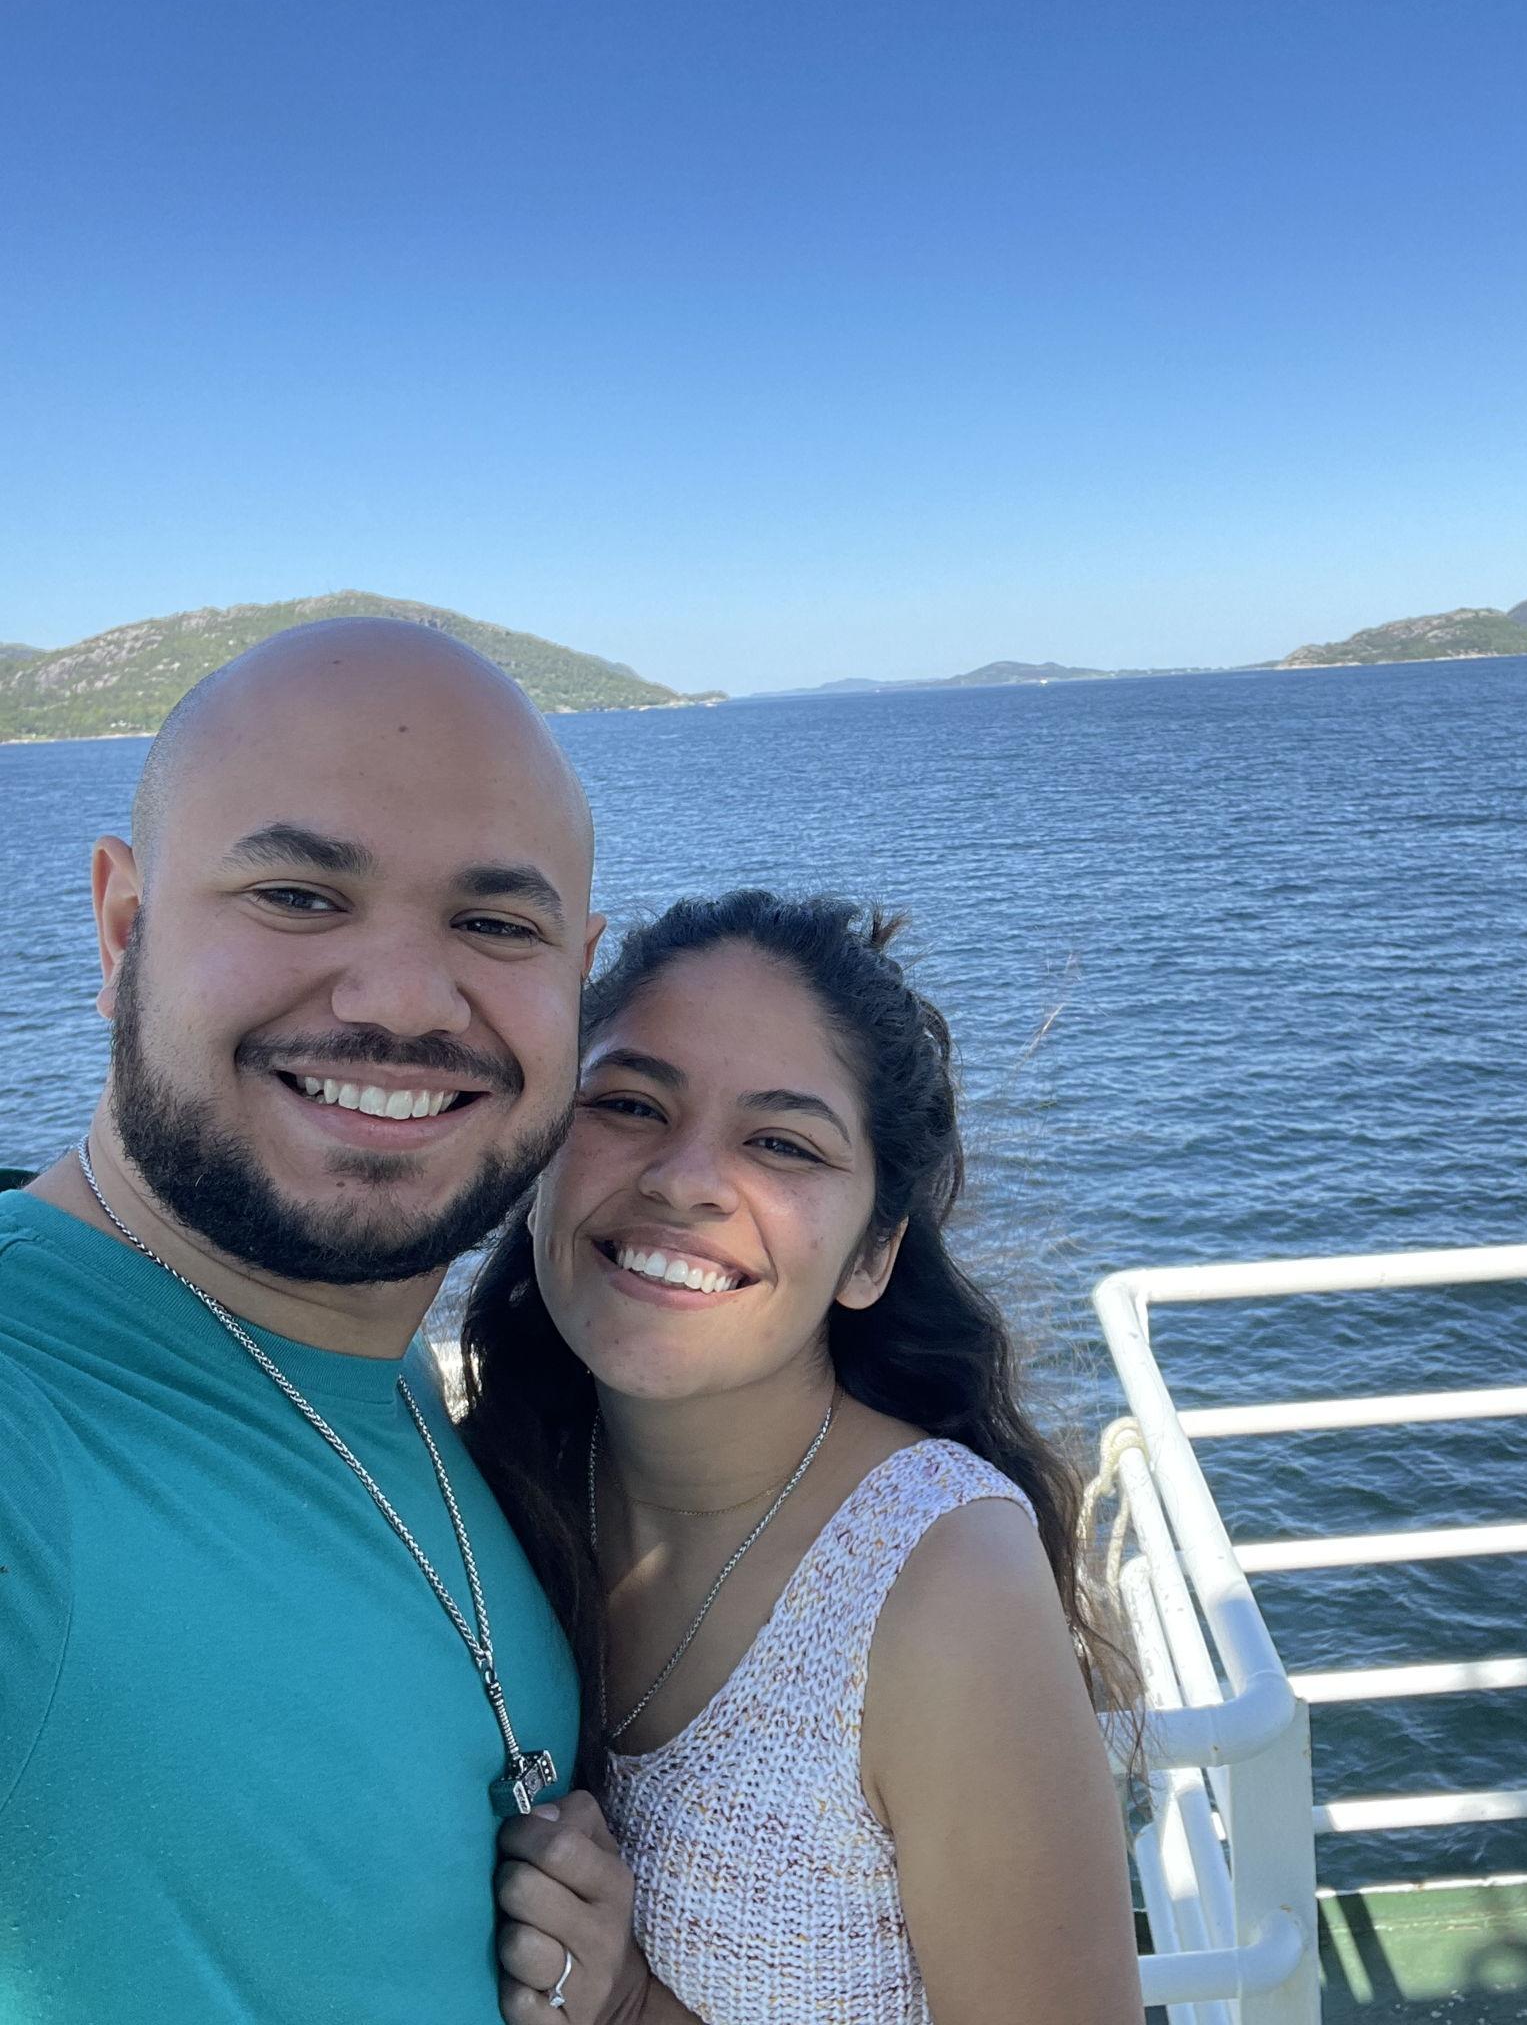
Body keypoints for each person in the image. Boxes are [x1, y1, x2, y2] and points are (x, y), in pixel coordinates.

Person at [0, 619, 606, 2023]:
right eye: (297, 894)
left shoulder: (382, 1376)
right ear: (123, 927)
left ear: (577, 973)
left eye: (495, 924)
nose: (403, 1000)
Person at [459, 891, 1144, 2025]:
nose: (684, 1178)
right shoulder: (487, 1482)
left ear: (872, 1254)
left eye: (781, 1142)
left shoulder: (941, 1586)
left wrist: (628, 2004)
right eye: (627, 1103)